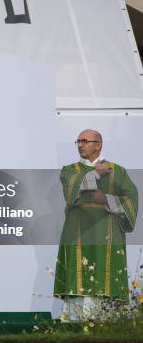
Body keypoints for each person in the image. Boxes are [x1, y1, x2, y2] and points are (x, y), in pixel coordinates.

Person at [54, 129, 138, 320]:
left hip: (108, 237)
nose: (80, 145)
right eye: (78, 141)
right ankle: (74, 325)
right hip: (77, 235)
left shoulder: (118, 171)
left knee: (106, 284)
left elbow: (131, 200)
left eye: (85, 141)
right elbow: (70, 194)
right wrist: (95, 174)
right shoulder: (69, 170)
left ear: (98, 145)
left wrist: (106, 199)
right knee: (78, 285)